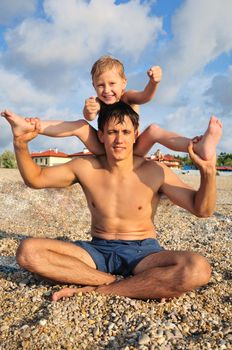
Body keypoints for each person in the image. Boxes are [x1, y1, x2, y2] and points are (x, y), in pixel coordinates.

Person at [2, 102, 221, 302]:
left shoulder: (155, 171)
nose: (119, 139)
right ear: (101, 135)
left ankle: (98, 289)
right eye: (112, 132)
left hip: (143, 253)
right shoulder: (85, 166)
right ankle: (119, 283)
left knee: (197, 268)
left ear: (135, 135)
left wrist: (208, 172)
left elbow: (202, 209)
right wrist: (20, 144)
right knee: (28, 251)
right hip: (96, 251)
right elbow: (36, 179)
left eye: (125, 132)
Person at [1, 56, 222, 160]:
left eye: (112, 84)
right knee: (79, 125)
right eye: (100, 85)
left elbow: (145, 97)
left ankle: (198, 147)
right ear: (93, 86)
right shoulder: (97, 101)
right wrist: (89, 111)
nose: (107, 90)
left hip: (133, 147)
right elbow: (87, 116)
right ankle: (32, 126)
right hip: (104, 147)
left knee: (154, 129)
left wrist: (153, 83)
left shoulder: (127, 97)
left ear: (123, 83)